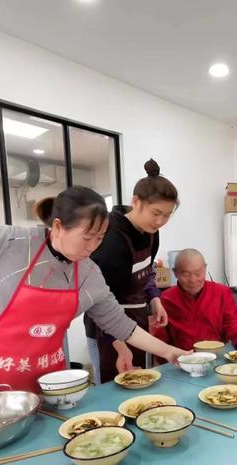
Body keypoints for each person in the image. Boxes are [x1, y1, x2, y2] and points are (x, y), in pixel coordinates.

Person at [0, 186, 187, 399]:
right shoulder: (8, 243)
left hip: (48, 382)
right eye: (87, 237)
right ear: (58, 226)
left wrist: (170, 352)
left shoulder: (89, 274)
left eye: (100, 238)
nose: (93, 246)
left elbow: (120, 324)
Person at [84, 159, 177, 383]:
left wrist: (154, 299)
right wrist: (119, 342)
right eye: (156, 213)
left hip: (135, 322)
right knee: (111, 391)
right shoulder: (112, 239)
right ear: (136, 202)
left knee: (139, 384)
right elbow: (99, 302)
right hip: (105, 330)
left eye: (167, 214)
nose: (161, 221)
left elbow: (147, 271)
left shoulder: (150, 232)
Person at [151, 249, 237, 351]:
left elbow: (233, 321)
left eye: (198, 273)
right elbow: (160, 339)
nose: (193, 280)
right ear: (175, 273)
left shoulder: (222, 292)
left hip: (216, 357)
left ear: (205, 268)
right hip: (181, 360)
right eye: (186, 274)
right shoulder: (166, 298)